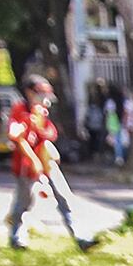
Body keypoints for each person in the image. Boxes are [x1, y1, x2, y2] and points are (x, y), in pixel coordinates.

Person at [6, 77, 97, 250]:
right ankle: (17, 237)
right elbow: (16, 138)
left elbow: (50, 133)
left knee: (64, 196)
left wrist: (40, 127)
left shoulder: (42, 112)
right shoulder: (20, 110)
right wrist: (33, 160)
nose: (44, 99)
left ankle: (81, 237)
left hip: (46, 163)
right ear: (29, 92)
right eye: (41, 94)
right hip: (26, 165)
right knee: (24, 202)